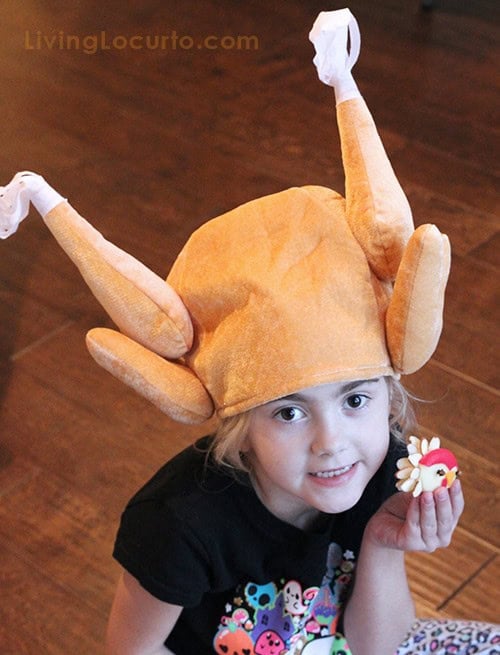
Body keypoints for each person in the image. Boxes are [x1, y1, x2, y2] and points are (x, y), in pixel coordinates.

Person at [1, 8, 498, 655]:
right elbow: (133, 648)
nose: (332, 442)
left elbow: (381, 645)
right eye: (288, 411)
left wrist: (382, 542)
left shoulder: (384, 471)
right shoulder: (178, 524)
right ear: (239, 425)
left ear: (388, 396)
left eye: (355, 398)